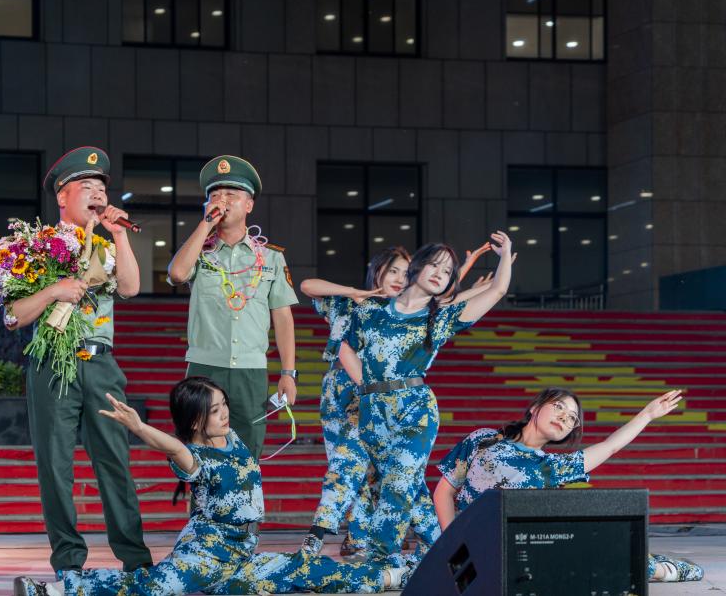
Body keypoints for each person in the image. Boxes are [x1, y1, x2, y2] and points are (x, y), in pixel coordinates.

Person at [14, 377, 401, 596]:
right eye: (215, 410)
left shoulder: (232, 437)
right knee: (155, 588)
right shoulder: (195, 456)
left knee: (303, 570)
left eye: (223, 404)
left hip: (242, 555)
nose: (225, 413)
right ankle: (59, 590)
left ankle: (392, 576)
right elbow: (174, 448)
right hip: (205, 551)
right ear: (196, 420)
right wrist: (140, 427)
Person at [4, 147, 152, 578]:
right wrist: (53, 290)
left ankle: (135, 559)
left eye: (101, 188)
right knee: (55, 467)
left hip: (101, 364)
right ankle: (69, 561)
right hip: (53, 363)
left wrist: (120, 234)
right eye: (86, 187)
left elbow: (131, 288)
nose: (97, 194)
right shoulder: (35, 248)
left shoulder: (106, 248)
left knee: (115, 462)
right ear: (62, 197)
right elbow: (12, 316)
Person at [339, 233, 514, 586]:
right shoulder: (371, 310)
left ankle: (379, 563)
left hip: (415, 410)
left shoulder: (441, 317)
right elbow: (345, 347)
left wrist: (505, 256)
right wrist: (367, 386)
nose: (440, 273)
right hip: (373, 414)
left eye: (448, 272)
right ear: (417, 266)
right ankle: (461, 569)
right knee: (415, 497)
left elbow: (496, 291)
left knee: (398, 485)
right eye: (435, 265)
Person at [298, 244, 494, 559]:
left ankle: (418, 542)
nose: (400, 278)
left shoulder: (406, 311)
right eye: (393, 271)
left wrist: (466, 273)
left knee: (398, 475)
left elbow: (444, 299)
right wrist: (355, 292)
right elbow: (308, 286)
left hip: (383, 395)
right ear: (377, 270)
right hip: (343, 392)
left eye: (405, 273)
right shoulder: (357, 304)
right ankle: (335, 534)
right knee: (349, 464)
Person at [434, 387, 704, 583]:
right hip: (466, 544)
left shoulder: (553, 466)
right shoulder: (484, 440)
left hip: (517, 553)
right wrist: (454, 544)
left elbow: (610, 446)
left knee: (604, 553)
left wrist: (647, 414)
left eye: (572, 418)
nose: (565, 417)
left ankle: (664, 570)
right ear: (535, 408)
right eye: (559, 406)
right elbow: (444, 492)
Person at [167, 156, 298, 457]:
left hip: (251, 370)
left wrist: (288, 373)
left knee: (248, 451)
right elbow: (177, 274)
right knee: (199, 452)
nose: (222, 201)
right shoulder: (199, 251)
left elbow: (283, 317)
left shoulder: (271, 257)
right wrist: (206, 224)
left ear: (249, 205)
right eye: (215, 195)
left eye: (231, 195)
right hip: (205, 366)